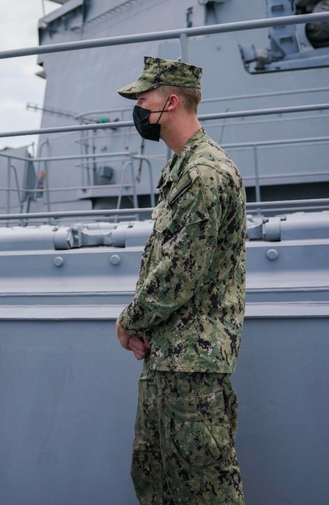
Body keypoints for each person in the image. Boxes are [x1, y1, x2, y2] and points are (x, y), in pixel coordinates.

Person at [113, 56, 246, 504]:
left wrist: (129, 321)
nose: (137, 108)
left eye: (142, 99)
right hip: (169, 360)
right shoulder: (180, 169)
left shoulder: (203, 173)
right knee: (155, 480)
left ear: (170, 102)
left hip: (192, 368)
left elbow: (178, 273)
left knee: (205, 491)